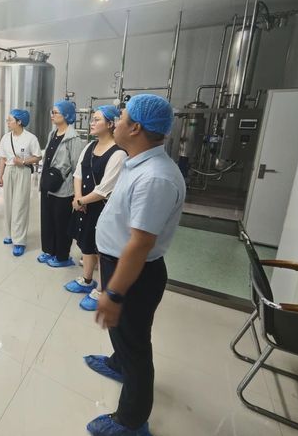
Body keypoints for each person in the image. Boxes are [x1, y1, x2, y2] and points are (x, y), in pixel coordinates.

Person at [83, 94, 185, 436]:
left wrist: (113, 292)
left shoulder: (155, 178)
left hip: (135, 274)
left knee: (136, 345)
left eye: (122, 117)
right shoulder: (136, 162)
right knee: (123, 334)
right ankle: (118, 363)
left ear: (136, 128)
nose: (116, 122)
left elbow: (141, 244)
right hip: (119, 264)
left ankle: (131, 420)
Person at [65, 105, 127, 310]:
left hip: (102, 209)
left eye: (97, 119)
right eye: (92, 119)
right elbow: (78, 174)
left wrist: (81, 201)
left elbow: (104, 189)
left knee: (102, 249)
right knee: (86, 243)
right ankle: (86, 280)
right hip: (84, 205)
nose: (91, 123)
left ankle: (102, 290)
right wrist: (78, 198)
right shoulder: (90, 146)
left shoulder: (118, 154)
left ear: (110, 124)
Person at [37, 100, 84, 267]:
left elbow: (77, 166)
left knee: (61, 223)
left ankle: (62, 257)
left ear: (66, 115)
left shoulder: (73, 138)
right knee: (47, 220)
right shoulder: (53, 134)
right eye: (52, 112)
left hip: (63, 189)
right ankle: (49, 251)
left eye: (56, 112)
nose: (52, 115)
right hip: (48, 185)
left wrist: (77, 194)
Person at [0, 109, 42, 256]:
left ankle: (20, 241)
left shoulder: (30, 138)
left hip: (22, 171)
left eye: (10, 120)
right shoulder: (5, 138)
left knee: (20, 205)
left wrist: (23, 161)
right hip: (9, 171)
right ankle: (10, 234)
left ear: (19, 122)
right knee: (9, 204)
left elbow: (38, 157)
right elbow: (3, 159)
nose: (7, 122)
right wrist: (0, 176)